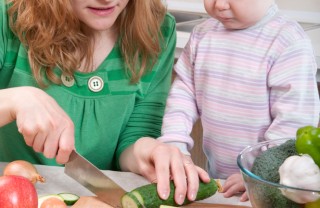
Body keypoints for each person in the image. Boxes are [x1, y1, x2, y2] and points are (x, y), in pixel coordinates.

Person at [0, 0, 210, 205]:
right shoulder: (7, 16)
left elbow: (135, 134)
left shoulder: (158, 31)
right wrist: (14, 100)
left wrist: (146, 150)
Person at [158, 0, 320, 202]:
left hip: (271, 186)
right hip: (221, 180)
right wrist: (174, 142)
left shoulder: (288, 41)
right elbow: (184, 93)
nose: (219, 5)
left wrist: (257, 175)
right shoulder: (202, 34)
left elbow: (292, 122)